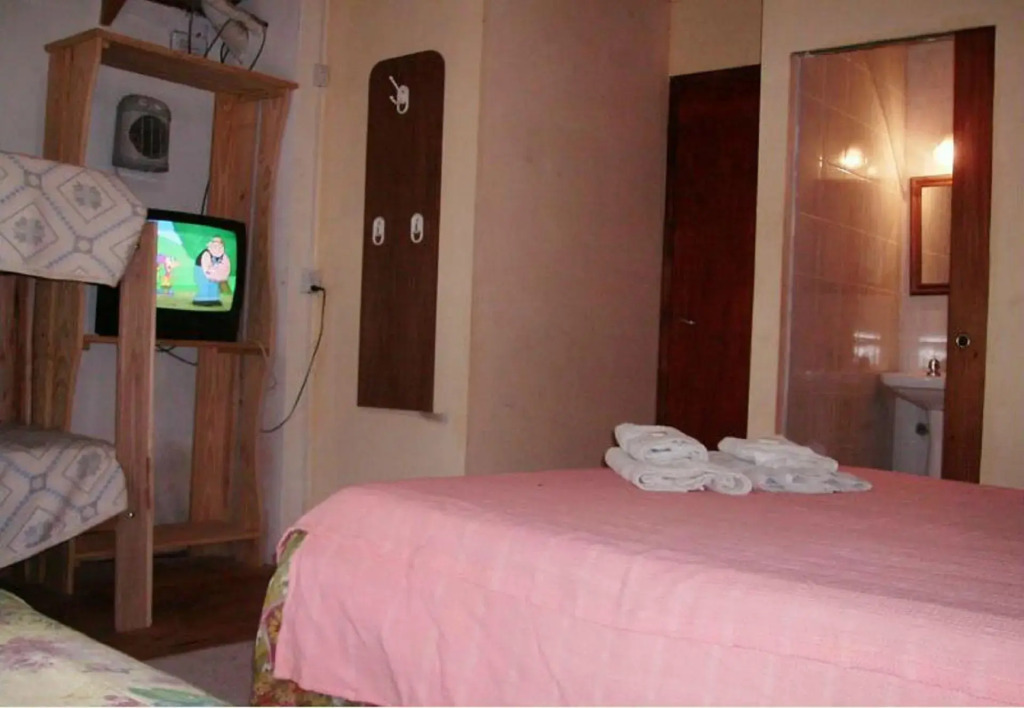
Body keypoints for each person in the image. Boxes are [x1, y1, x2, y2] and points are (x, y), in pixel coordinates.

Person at [192, 236, 231, 307]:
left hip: (215, 272)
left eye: (218, 242)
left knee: (215, 286)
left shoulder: (224, 255)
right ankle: (201, 300)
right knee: (205, 285)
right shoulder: (206, 253)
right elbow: (206, 267)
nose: (216, 244)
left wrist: (221, 276)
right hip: (201, 270)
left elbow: (226, 266)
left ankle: (214, 299)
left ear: (222, 244)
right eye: (214, 242)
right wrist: (211, 274)